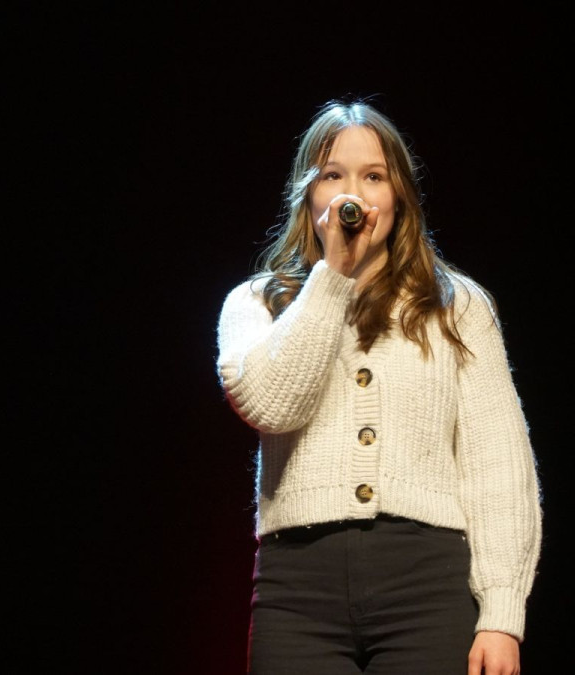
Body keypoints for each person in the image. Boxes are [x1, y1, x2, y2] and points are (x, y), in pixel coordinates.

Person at [215, 100, 541, 675]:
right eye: (333, 175)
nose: (354, 194)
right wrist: (332, 279)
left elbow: (499, 463)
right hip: (298, 593)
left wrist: (501, 614)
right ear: (311, 196)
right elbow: (270, 403)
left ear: (399, 197)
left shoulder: (457, 306)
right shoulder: (257, 302)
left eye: (373, 176)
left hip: (427, 585)